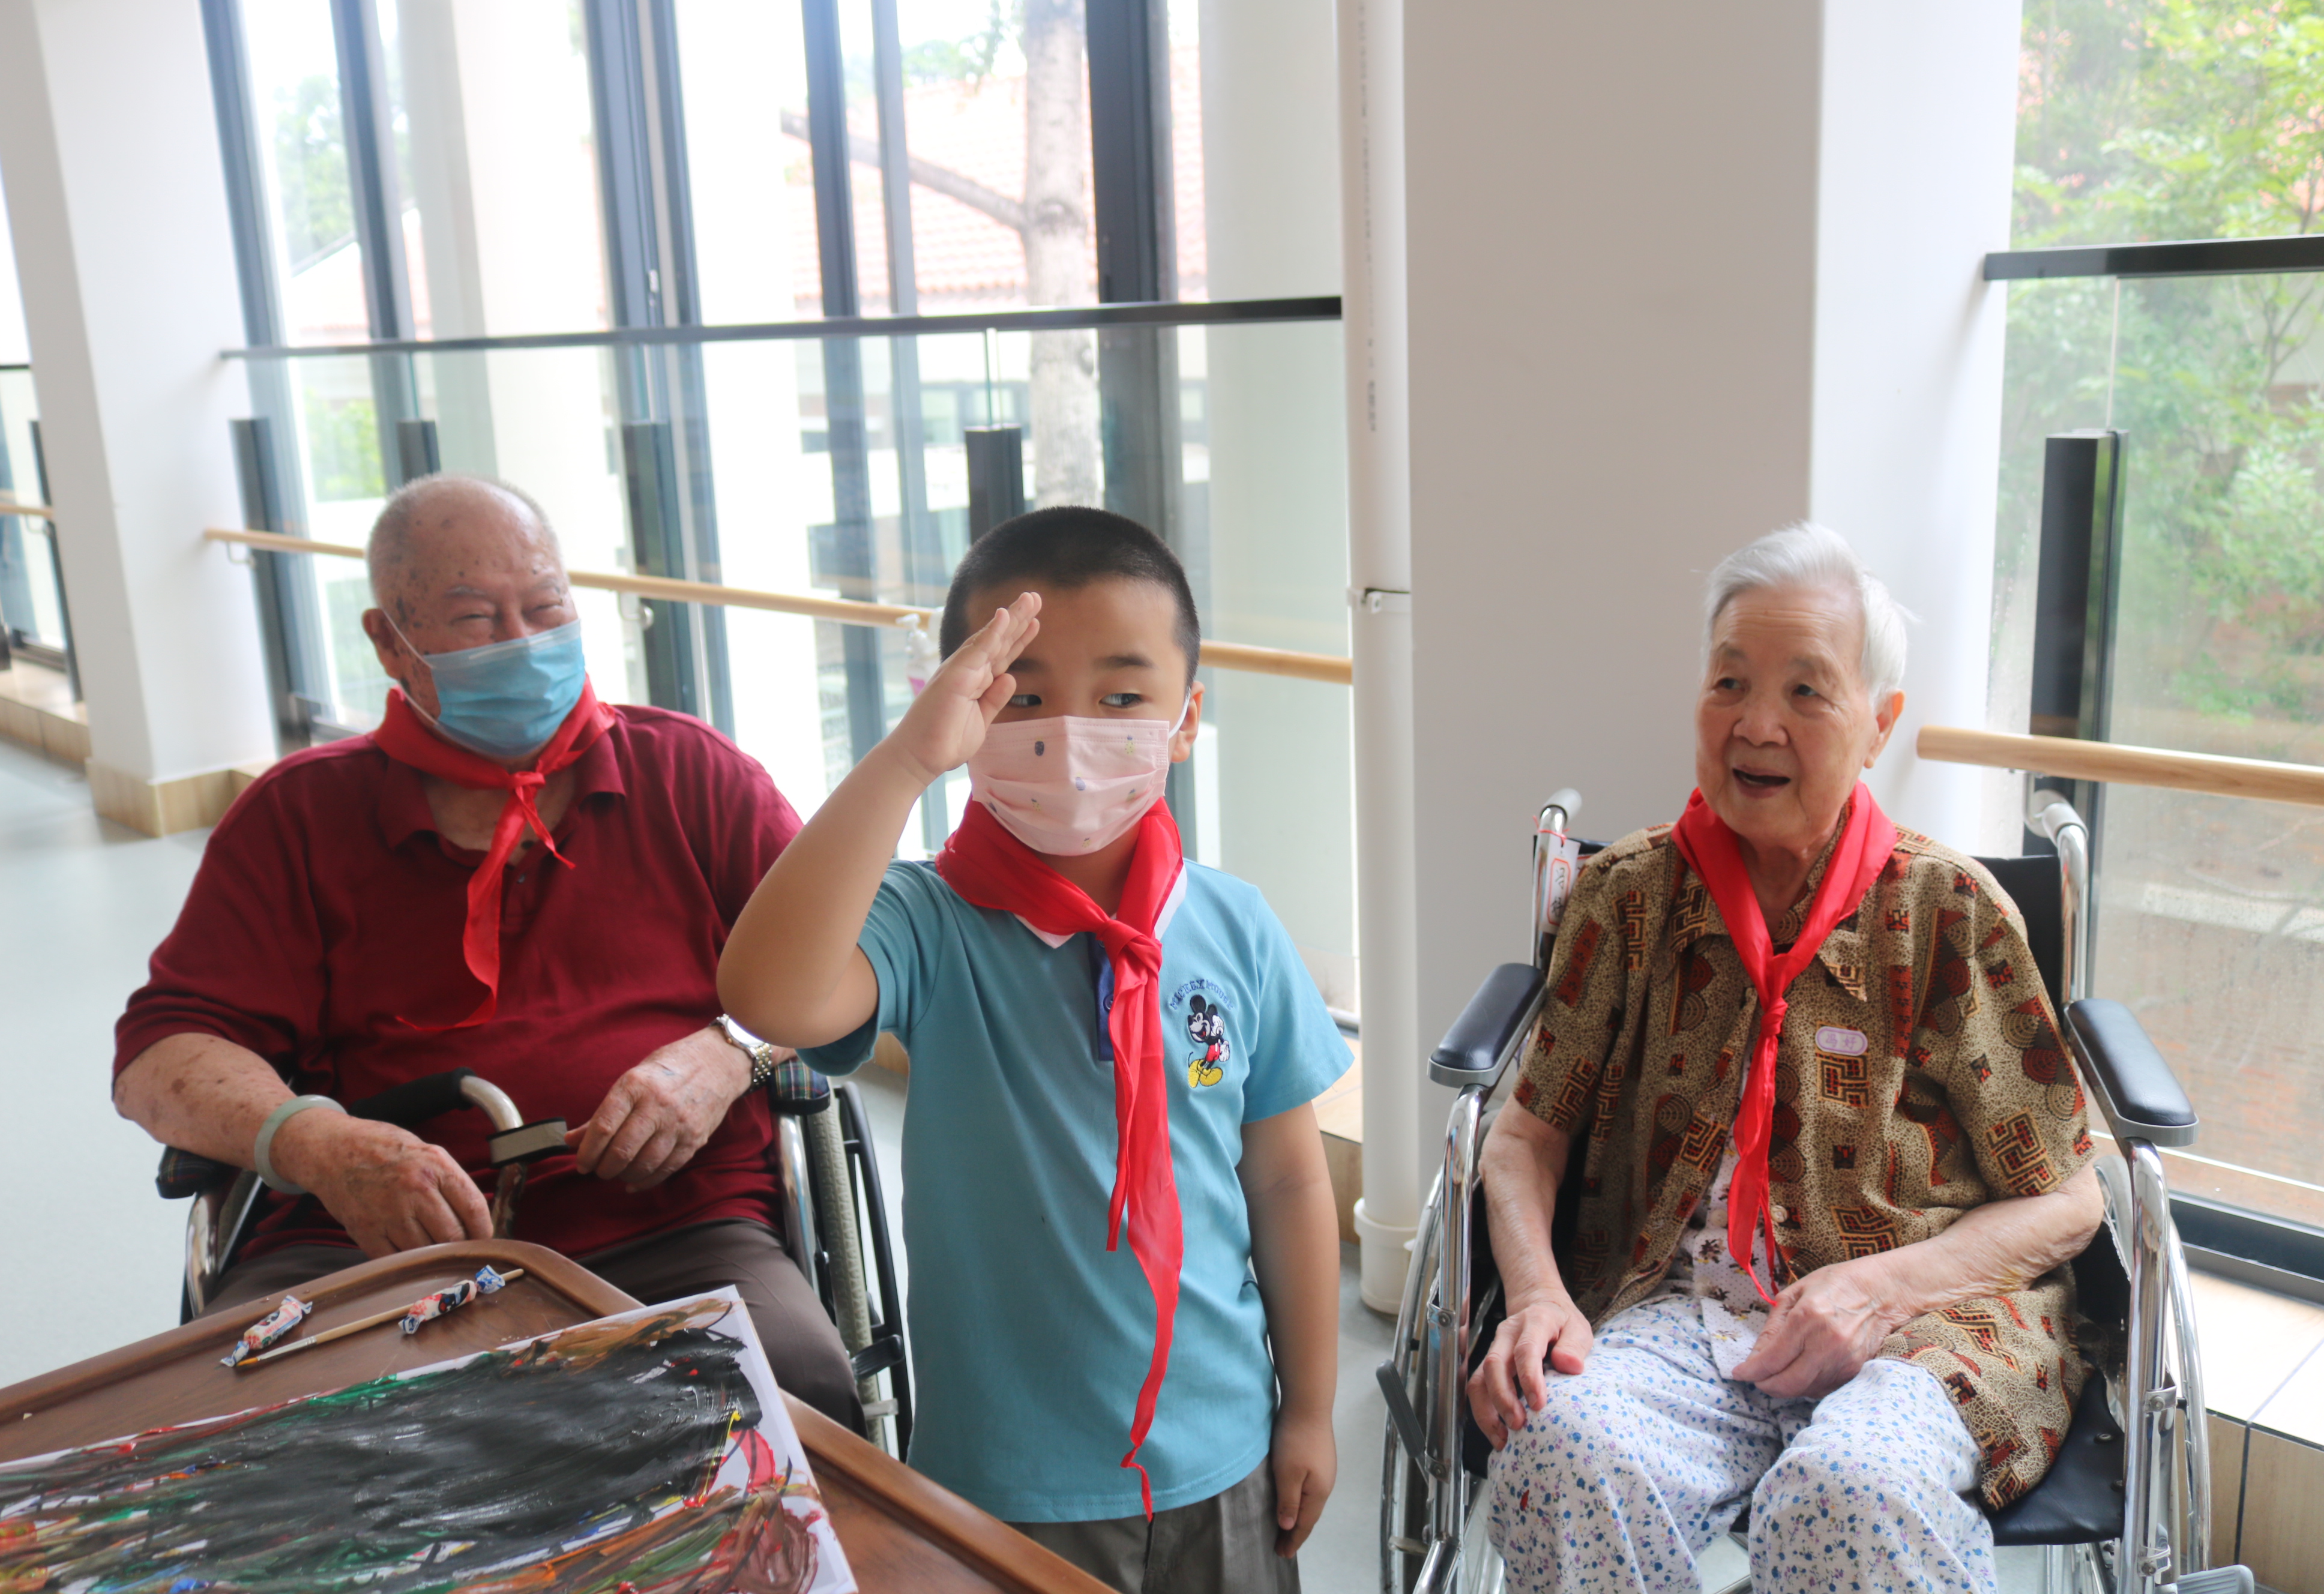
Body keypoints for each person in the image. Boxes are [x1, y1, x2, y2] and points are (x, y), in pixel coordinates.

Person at [113, 474, 859, 1427]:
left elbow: (843, 962)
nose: (524, 641)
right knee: (255, 1440)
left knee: (792, 1395)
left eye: (546, 608)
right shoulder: (297, 816)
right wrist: (321, 1145)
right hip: (368, 1246)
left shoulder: (692, 774)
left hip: (675, 1226)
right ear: (391, 642)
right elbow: (161, 1056)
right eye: (475, 617)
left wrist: (725, 1055)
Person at [719, 507, 1346, 1593]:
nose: (1071, 735)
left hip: (1223, 1453)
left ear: (1187, 719)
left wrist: (1311, 1410)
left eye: (1122, 697)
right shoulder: (929, 920)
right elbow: (769, 993)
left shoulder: (1234, 924)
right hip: (1006, 1477)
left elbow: (1287, 1181)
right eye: (1022, 696)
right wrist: (907, 761)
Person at [1468, 523, 2103, 1594]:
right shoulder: (1628, 900)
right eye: (1730, 682)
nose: (1756, 724)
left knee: (1852, 1492)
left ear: (1879, 724)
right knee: (1558, 1453)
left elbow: (2072, 1199)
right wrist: (1534, 1294)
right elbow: (1524, 1136)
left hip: (1926, 1326)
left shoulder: (1948, 914)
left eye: (1807, 691)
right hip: (1681, 1314)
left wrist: (1879, 1290)